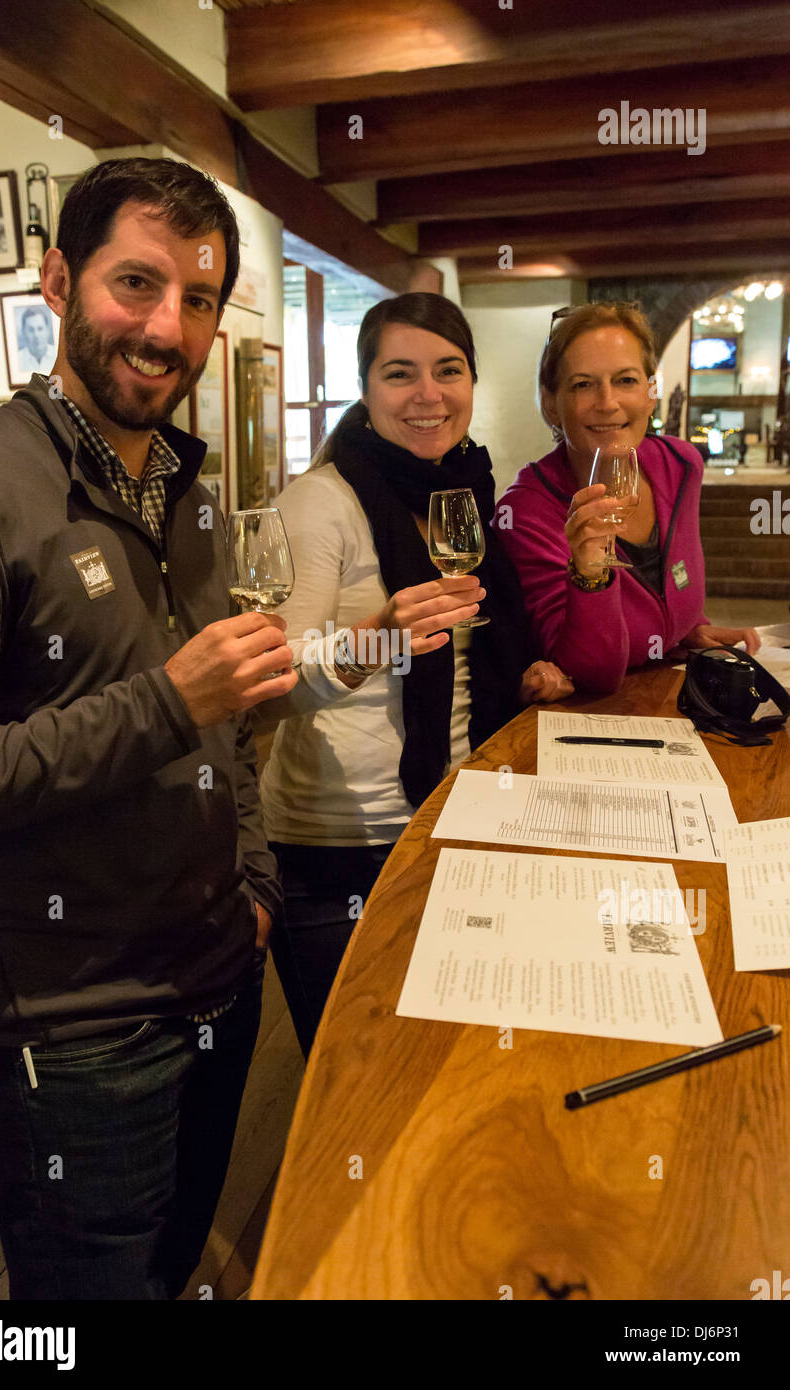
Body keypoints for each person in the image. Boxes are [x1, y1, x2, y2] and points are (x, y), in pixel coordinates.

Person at [0, 156, 297, 1300]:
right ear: (54, 279)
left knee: (175, 1262)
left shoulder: (184, 486)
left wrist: (256, 881)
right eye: (134, 285)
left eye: (194, 296)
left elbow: (217, 726)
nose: (166, 327)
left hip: (215, 972)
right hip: (75, 1030)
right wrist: (163, 702)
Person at [256, 292, 572, 1058]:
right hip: (342, 846)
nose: (428, 394)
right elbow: (272, 689)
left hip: (453, 813)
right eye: (401, 374)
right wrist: (376, 640)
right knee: (358, 1075)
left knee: (441, 1058)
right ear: (365, 390)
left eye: (447, 370)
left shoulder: (462, 487)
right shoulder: (320, 503)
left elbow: (468, 657)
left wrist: (524, 667)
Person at [492, 302, 760, 693]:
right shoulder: (526, 511)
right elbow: (592, 672)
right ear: (551, 403)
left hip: (670, 700)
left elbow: (672, 587)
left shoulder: (680, 464)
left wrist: (688, 631)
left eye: (626, 380)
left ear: (652, 392)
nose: (607, 402)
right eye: (583, 384)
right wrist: (590, 576)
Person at [16, 304, 54, 372]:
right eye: (31, 330)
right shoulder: (16, 359)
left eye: (40, 329)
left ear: (47, 330)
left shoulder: (57, 354)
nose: (36, 335)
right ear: (23, 332)